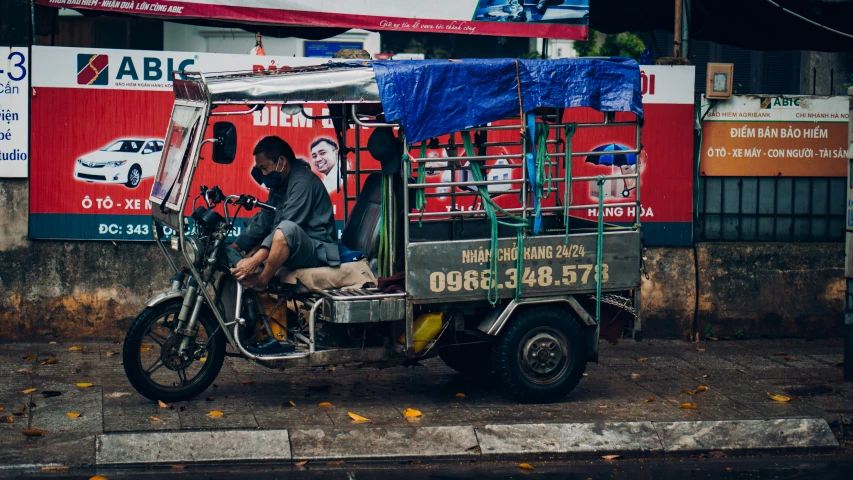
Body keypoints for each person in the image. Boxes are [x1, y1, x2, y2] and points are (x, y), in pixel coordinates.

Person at [230, 136, 341, 291]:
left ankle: (262, 280)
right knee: (262, 231)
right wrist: (235, 246)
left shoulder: (303, 182)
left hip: (318, 250)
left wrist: (254, 261)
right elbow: (266, 218)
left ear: (282, 162)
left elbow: (288, 226)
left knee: (286, 229)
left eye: (264, 168)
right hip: (297, 248)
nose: (262, 173)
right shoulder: (280, 183)